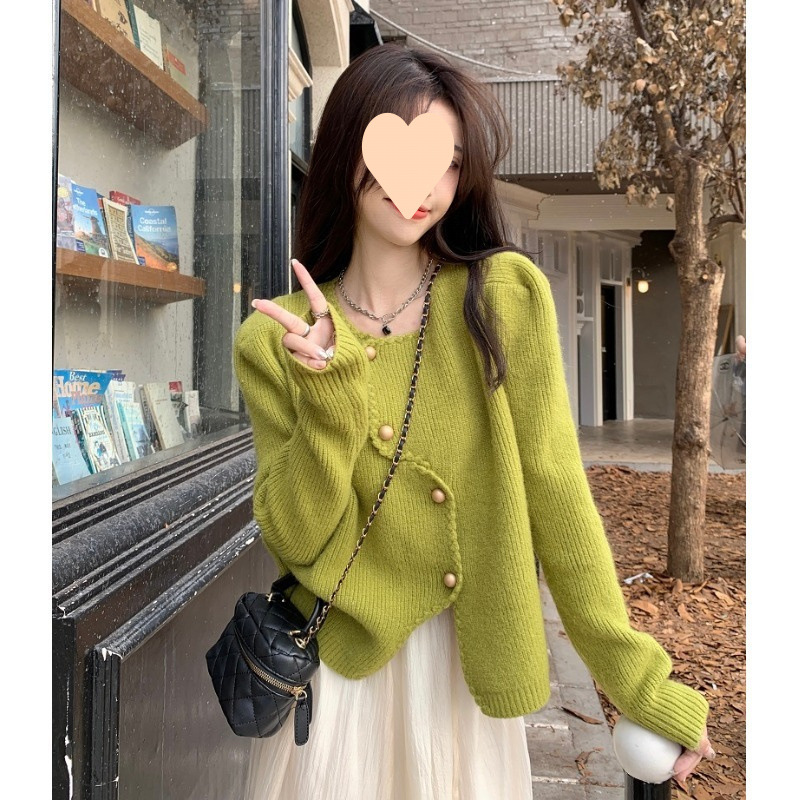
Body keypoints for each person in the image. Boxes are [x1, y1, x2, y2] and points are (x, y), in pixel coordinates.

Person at [235, 44, 714, 800]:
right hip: (340, 683)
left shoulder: (501, 298)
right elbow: (297, 539)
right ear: (346, 151)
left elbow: (558, 495)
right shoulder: (275, 339)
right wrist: (329, 395)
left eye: (449, 163)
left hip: (467, 681)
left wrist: (638, 682)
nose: (423, 185)